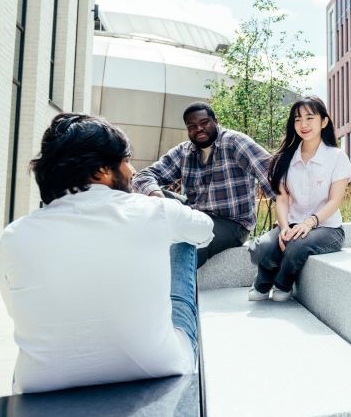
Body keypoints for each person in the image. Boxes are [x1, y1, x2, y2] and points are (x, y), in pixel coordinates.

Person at [0, 113, 213, 393]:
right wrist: (157, 210)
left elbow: (17, 310)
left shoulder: (13, 235)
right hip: (157, 366)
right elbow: (205, 230)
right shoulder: (154, 211)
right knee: (184, 239)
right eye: (126, 160)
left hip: (41, 383)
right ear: (101, 170)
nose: (133, 171)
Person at [133, 102, 275, 267]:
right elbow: (143, 176)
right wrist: (156, 196)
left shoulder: (235, 142)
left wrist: (291, 218)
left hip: (232, 223)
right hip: (195, 213)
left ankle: (171, 286)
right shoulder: (184, 151)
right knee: (142, 194)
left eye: (204, 123)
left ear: (216, 121)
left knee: (187, 245)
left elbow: (271, 174)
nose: (198, 129)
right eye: (192, 126)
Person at [248, 97, 351, 301]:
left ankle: (282, 284)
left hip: (327, 229)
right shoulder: (284, 158)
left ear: (324, 122)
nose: (303, 125)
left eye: (309, 118)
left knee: (297, 244)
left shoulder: (337, 157)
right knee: (261, 247)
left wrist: (310, 222)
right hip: (291, 224)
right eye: (297, 119)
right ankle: (262, 282)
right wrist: (285, 227)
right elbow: (282, 199)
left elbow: (334, 200)